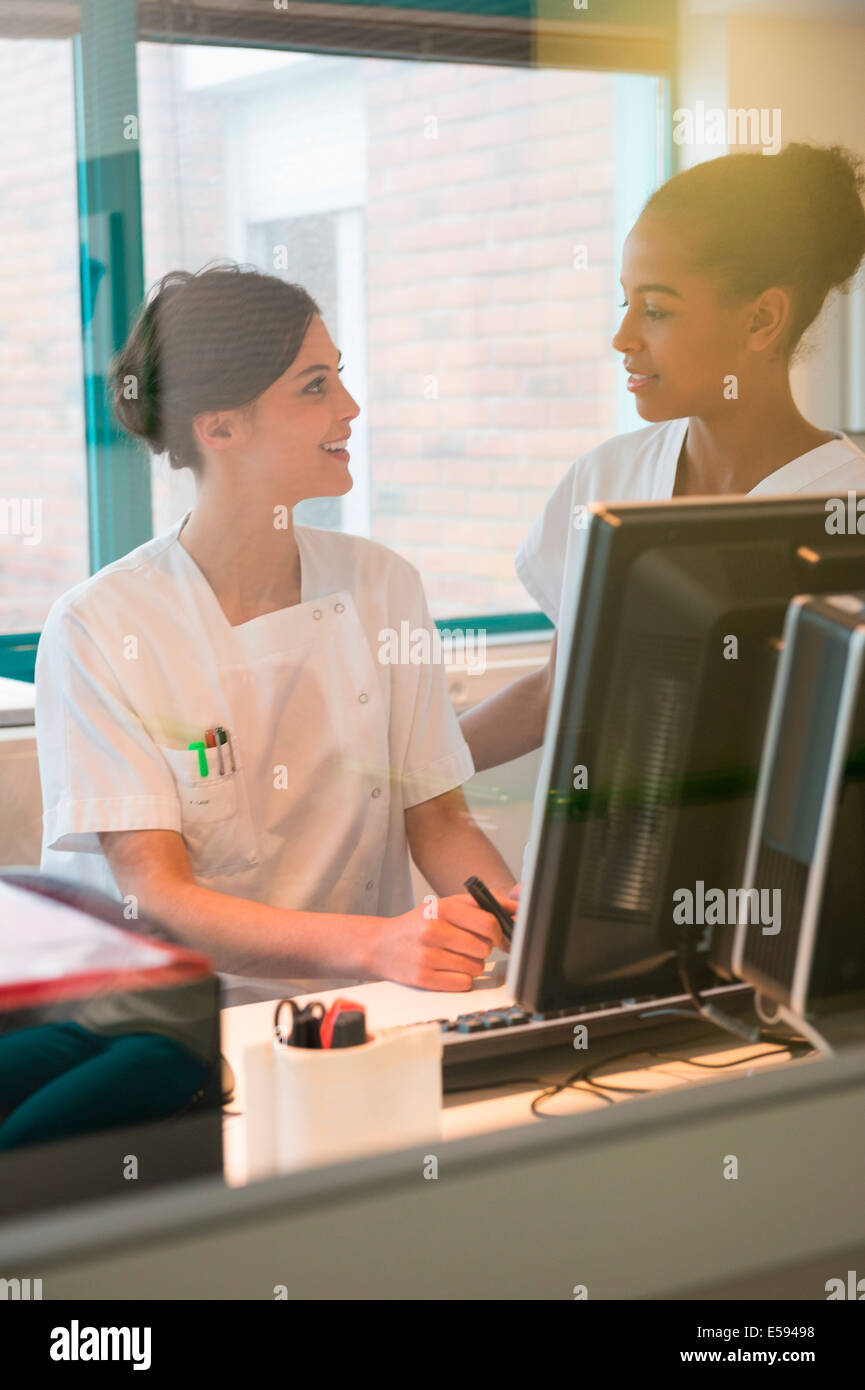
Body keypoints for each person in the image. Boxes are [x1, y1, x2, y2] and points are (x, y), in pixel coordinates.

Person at [35, 264, 517, 1004]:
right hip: (186, 1027)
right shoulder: (100, 626)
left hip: (370, 1005)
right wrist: (378, 942)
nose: (350, 408)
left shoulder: (383, 585)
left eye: (339, 377)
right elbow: (154, 895)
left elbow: (440, 819)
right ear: (220, 427)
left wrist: (522, 928)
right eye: (314, 385)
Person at [460, 142, 865, 773]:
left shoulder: (849, 511)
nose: (622, 338)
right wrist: (393, 782)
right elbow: (554, 697)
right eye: (626, 303)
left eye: (656, 310)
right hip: (578, 867)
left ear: (762, 319)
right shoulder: (606, 477)